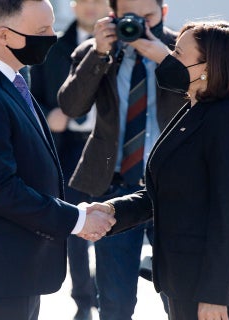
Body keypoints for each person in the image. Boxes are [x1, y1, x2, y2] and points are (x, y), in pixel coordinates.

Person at [0, 0, 116, 319]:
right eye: (42, 31)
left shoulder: (1, 77)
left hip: (9, 272)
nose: (52, 37)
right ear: (3, 36)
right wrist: (77, 220)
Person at [89, 20, 229, 320]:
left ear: (209, 67)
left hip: (212, 285)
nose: (169, 57)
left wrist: (215, 293)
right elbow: (168, 190)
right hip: (184, 276)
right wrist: (113, 211)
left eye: (178, 52)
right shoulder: (194, 109)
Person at [57, 0, 185, 318]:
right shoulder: (96, 51)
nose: (140, 24)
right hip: (116, 188)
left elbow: (207, 97)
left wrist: (164, 58)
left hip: (176, 188)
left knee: (180, 293)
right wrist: (99, 53)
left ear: (164, 12)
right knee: (114, 299)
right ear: (112, 15)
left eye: (149, 17)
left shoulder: (186, 49)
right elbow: (72, 107)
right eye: (131, 17)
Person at [30, 0, 109, 319]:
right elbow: (34, 95)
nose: (91, 7)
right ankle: (83, 300)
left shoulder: (127, 43)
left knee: (113, 221)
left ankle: (108, 291)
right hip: (68, 147)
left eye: (98, 0)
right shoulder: (52, 46)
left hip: (110, 147)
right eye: (83, 0)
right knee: (76, 225)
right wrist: (51, 114)